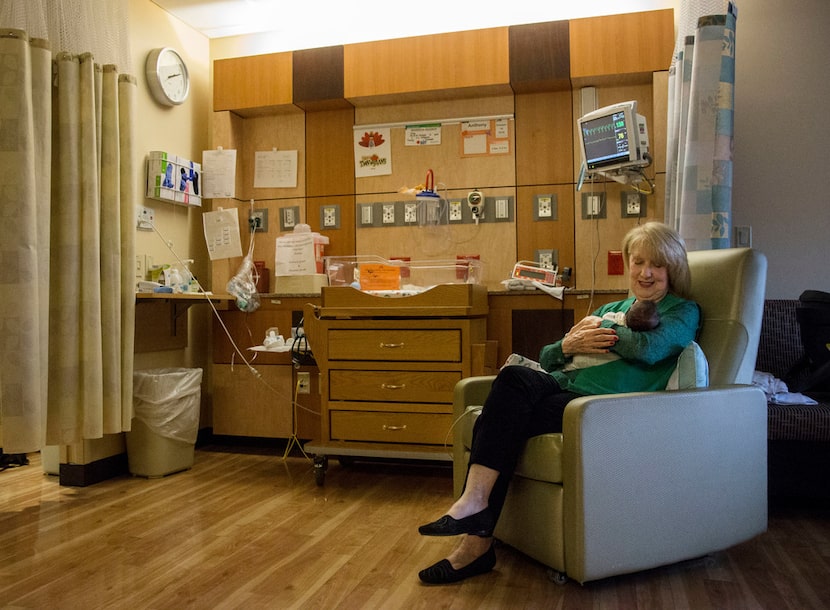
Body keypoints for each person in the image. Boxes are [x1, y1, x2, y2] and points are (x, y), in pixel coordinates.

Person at [416, 222, 700, 585]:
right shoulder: (613, 306)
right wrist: (568, 346)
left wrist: (598, 335)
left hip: (599, 406)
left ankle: (475, 546)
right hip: (563, 386)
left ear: (672, 268)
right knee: (512, 380)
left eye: (657, 265)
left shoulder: (683, 311)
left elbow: (651, 349)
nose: (645, 273)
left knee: (504, 417)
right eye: (638, 261)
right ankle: (474, 504)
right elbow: (550, 356)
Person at [561, 299, 660, 371]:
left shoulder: (610, 316)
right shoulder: (610, 310)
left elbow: (640, 349)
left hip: (578, 370)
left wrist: (603, 324)